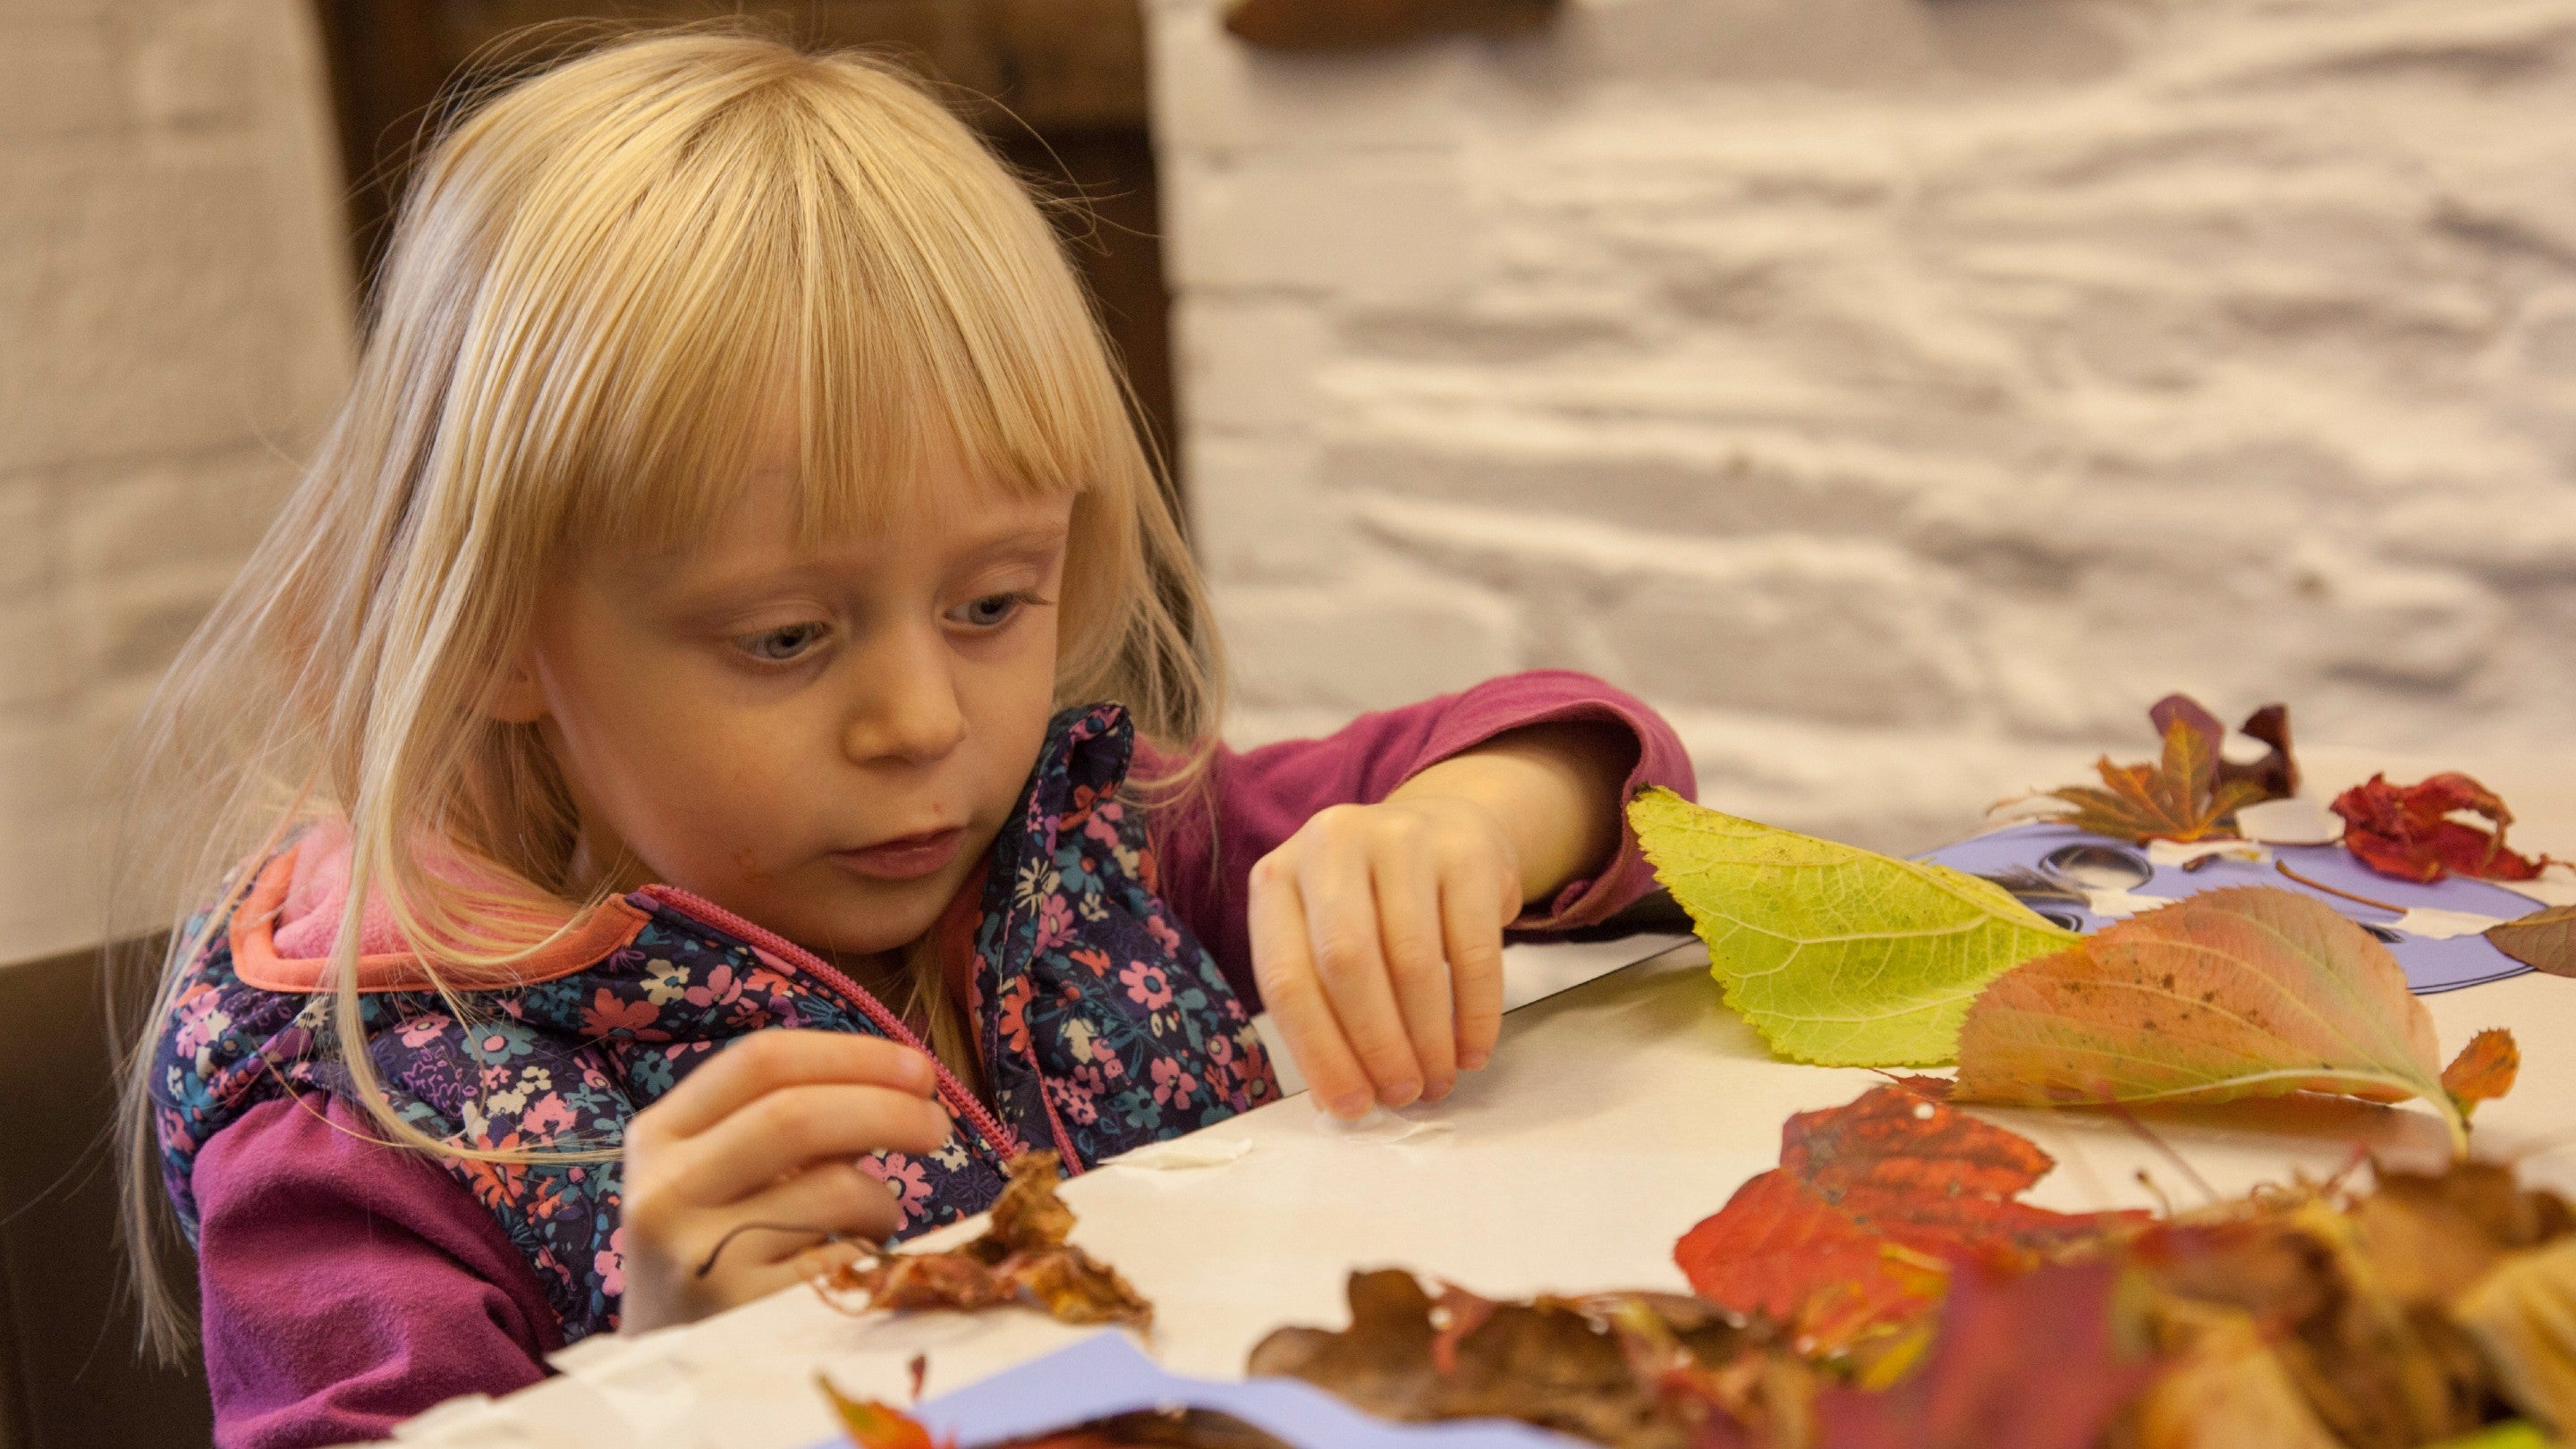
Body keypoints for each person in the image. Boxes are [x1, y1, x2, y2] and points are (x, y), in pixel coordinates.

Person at [116, 30, 1694, 1449]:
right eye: (788, 637)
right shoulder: (362, 1114)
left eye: (994, 603)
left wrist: (1475, 831)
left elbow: (1598, 768)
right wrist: (666, 1383)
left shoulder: (1096, 846)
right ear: (505, 634)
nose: (923, 723)